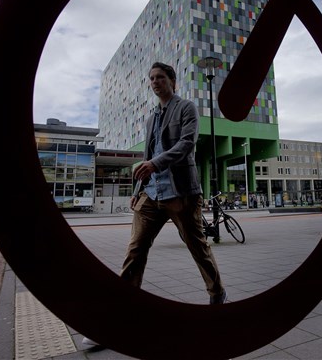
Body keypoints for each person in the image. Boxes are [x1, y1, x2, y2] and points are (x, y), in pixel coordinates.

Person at [83, 62, 226, 348]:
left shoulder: (186, 108)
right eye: (151, 78)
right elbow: (147, 153)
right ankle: (117, 319)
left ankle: (216, 294)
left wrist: (154, 164)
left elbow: (187, 144)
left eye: (160, 77)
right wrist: (137, 189)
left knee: (197, 247)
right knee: (134, 252)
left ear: (173, 81)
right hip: (150, 194)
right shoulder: (150, 119)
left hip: (180, 192)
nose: (155, 82)